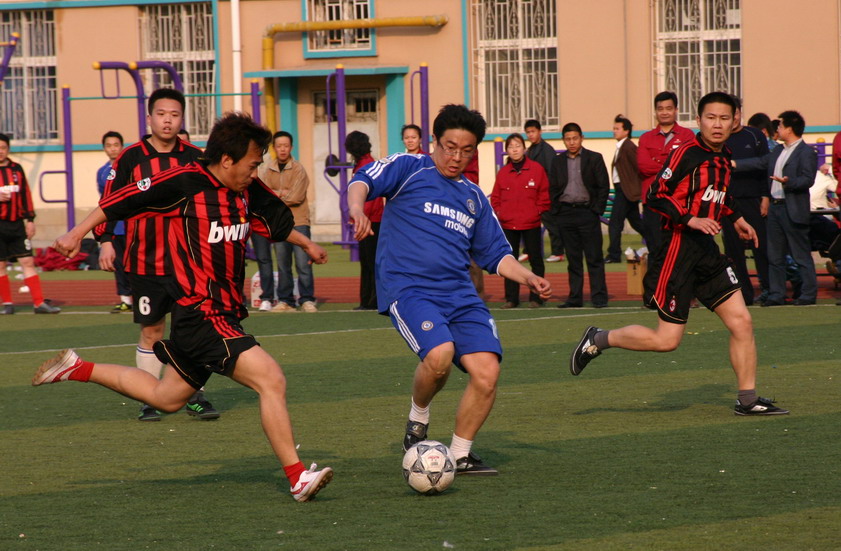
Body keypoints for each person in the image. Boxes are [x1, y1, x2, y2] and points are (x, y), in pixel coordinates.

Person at [34, 112, 333, 502]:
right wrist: (78, 232)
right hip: (203, 312)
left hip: (220, 313)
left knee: (166, 398)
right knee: (271, 380)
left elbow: (273, 220)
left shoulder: (247, 188)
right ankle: (297, 477)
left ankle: (76, 368)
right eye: (251, 164)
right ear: (227, 159)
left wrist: (306, 243)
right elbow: (122, 199)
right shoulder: (185, 180)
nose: (254, 171)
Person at [347, 104, 551, 475]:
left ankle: (459, 454)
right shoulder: (410, 167)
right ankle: (418, 417)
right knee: (440, 355)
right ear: (435, 142)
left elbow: (496, 254)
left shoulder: (474, 197)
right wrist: (358, 209)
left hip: (459, 294)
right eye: (450, 147)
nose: (456, 157)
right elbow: (363, 179)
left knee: (487, 372)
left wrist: (528, 277)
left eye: (466, 150)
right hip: (409, 287)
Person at [570, 92, 789, 417]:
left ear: (735, 121)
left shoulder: (724, 155)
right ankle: (599, 339)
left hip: (707, 253)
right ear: (699, 120)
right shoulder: (686, 153)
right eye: (711, 118)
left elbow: (720, 194)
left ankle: (747, 400)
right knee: (667, 341)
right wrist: (690, 219)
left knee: (742, 322)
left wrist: (737, 218)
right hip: (677, 252)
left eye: (724, 118)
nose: (717, 124)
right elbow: (655, 194)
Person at [97, 88, 217, 421]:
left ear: (182, 119)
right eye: (161, 114)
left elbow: (212, 202)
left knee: (191, 331)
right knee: (152, 331)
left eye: (174, 115)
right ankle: (148, 395)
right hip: (145, 261)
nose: (167, 121)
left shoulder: (195, 157)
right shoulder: (130, 158)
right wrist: (105, 239)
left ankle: (194, 395)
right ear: (149, 117)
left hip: (188, 263)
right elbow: (110, 202)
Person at [734, 110, 818, 306]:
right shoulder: (778, 150)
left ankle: (808, 294)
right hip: (775, 208)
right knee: (774, 256)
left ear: (789, 128)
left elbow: (808, 179)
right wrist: (734, 163)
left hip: (793, 208)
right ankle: (776, 294)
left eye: (780, 125)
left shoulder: (806, 152)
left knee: (800, 255)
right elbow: (759, 162)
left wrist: (789, 182)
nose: (777, 129)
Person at [637, 91, 696, 302]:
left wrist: (660, 163)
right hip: (653, 202)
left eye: (669, 108)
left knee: (681, 250)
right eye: (660, 109)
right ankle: (654, 295)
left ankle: (683, 295)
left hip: (678, 203)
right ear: (655, 111)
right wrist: (669, 163)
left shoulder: (688, 136)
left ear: (676, 110)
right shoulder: (645, 138)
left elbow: (686, 165)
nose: (664, 112)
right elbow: (643, 166)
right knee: (656, 250)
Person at [549, 122, 610, 308]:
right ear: (563, 141)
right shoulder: (557, 161)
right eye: (568, 139)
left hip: (587, 213)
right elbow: (552, 188)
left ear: (582, 138)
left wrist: (596, 210)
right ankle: (575, 298)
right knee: (573, 260)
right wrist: (557, 211)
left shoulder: (594, 158)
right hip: (566, 213)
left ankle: (599, 297)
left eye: (575, 138)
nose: (572, 142)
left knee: (594, 258)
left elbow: (603, 186)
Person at [0, 133, 61, 315]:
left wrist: (30, 220)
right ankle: (8, 304)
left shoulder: (16, 169)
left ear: (8, 149)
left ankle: (39, 303)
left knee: (27, 261)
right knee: (1, 265)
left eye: (3, 148)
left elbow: (26, 194)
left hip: (17, 225)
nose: (0, 151)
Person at [258, 131, 317, 313]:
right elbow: (264, 194)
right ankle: (286, 300)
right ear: (274, 148)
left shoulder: (299, 169)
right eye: (279, 146)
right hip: (279, 223)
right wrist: (281, 194)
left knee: (302, 263)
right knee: (283, 264)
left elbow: (296, 196)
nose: (282, 149)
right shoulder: (267, 169)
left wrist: (276, 195)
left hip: (299, 221)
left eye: (286, 146)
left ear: (291, 147)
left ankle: (307, 299)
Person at [491, 133, 550, 308]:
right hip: (508, 224)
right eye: (511, 147)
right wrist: (501, 213)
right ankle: (511, 298)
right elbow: (496, 197)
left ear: (524, 149)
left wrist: (537, 211)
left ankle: (537, 297)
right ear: (507, 151)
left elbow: (544, 195)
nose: (515, 150)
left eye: (518, 146)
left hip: (531, 223)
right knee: (510, 260)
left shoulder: (536, 169)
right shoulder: (503, 172)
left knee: (536, 260)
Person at [722, 97, 770, 306]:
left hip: (753, 200)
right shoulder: (718, 137)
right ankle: (744, 294)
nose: (732, 119)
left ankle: (768, 289)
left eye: (735, 114)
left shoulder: (755, 135)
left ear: (740, 113)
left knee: (761, 247)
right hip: (728, 203)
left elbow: (766, 166)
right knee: (734, 251)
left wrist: (765, 197)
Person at [345, 130, 383, 311]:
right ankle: (367, 300)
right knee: (368, 261)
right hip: (370, 219)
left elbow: (371, 199)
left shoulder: (366, 165)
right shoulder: (364, 163)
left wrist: (358, 218)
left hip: (371, 221)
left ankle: (372, 300)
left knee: (370, 262)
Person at [97, 131, 132, 313]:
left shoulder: (131, 168)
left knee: (135, 262)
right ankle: (125, 299)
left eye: (116, 145)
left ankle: (141, 297)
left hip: (132, 224)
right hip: (115, 226)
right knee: (118, 263)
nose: (113, 149)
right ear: (104, 148)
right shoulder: (102, 172)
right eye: (109, 145)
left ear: (122, 146)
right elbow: (104, 200)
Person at [605, 114, 644, 263]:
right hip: (623, 190)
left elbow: (639, 167)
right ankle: (658, 241)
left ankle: (614, 255)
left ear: (626, 131)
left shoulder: (628, 147)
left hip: (625, 191)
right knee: (636, 222)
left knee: (615, 224)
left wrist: (634, 188)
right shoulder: (622, 146)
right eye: (614, 128)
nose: (614, 131)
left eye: (617, 128)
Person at [524, 119, 563, 262]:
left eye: (533, 131)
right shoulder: (530, 150)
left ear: (540, 131)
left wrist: (550, 193)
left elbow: (552, 173)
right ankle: (528, 251)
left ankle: (558, 252)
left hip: (545, 194)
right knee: (529, 223)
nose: (531, 135)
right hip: (532, 194)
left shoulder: (547, 150)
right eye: (528, 132)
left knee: (551, 223)